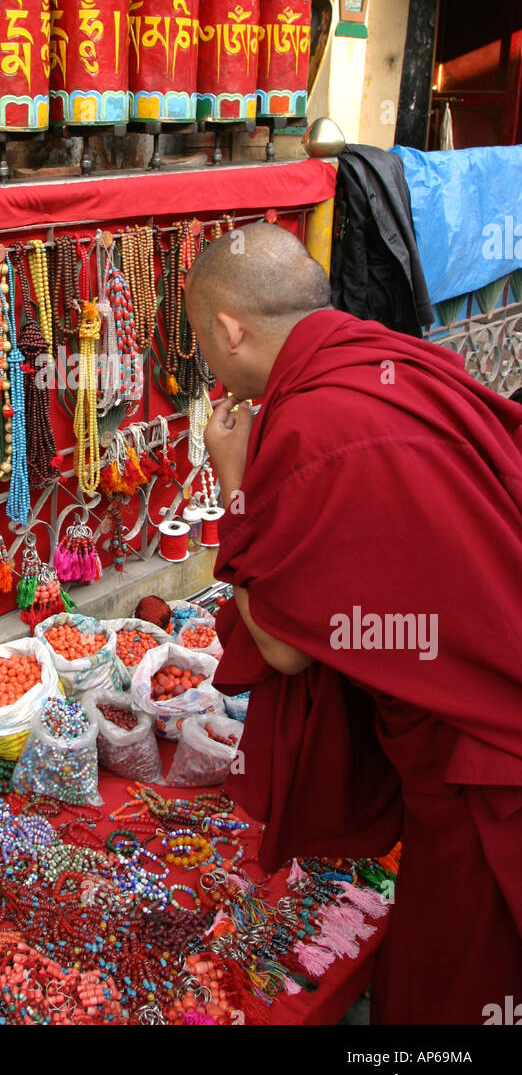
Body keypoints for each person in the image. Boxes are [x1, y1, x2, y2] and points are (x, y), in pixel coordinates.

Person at [184, 221, 522, 1025]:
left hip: (489, 754)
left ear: (231, 330)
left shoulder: (311, 428)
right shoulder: (394, 357)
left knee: (449, 990)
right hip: (484, 680)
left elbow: (283, 647)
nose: (207, 365)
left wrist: (233, 481)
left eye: (202, 343)